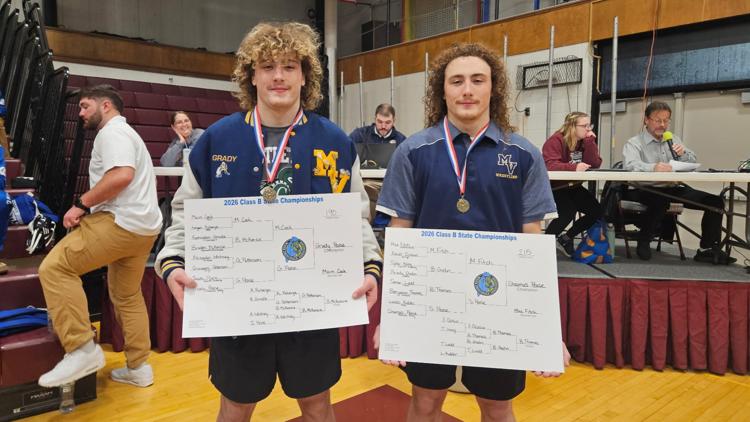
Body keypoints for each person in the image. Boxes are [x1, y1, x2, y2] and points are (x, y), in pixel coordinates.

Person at [155, 22, 381, 421]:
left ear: (305, 76)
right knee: (235, 407)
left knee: (317, 406)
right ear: (252, 75)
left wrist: (370, 266)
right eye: (268, 66)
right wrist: (172, 262)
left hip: (312, 305)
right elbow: (186, 211)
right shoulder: (216, 140)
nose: (279, 76)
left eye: (290, 66)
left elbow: (356, 216)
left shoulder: (336, 142)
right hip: (238, 304)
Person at [374, 42, 570, 422]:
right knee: (426, 401)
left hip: (498, 302)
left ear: (493, 88)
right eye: (457, 81)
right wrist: (393, 317)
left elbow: (533, 243)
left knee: (497, 408)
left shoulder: (523, 154)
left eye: (478, 80)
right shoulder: (412, 152)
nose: (467, 90)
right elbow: (399, 236)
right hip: (430, 303)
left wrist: (545, 329)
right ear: (442, 90)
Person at [37, 85, 162, 388]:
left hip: (120, 222)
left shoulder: (112, 132)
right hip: (144, 229)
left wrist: (81, 204)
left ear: (106, 105)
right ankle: (139, 367)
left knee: (55, 268)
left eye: (85, 106)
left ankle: (81, 348)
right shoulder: (128, 134)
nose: (80, 113)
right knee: (127, 296)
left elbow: (121, 175)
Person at [622, 101, 734, 264]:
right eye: (658, 120)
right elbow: (630, 165)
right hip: (644, 188)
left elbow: (692, 160)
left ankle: (707, 249)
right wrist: (653, 167)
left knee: (715, 202)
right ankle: (644, 241)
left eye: (666, 120)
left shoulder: (673, 139)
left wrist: (684, 154)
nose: (662, 125)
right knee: (660, 200)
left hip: (672, 186)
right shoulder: (634, 143)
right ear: (646, 120)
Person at [542, 111, 603, 256]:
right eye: (584, 126)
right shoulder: (556, 140)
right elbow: (549, 165)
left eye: (589, 125)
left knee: (597, 211)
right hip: (555, 186)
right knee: (568, 211)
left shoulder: (584, 141)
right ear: (572, 126)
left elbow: (595, 163)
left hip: (573, 186)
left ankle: (566, 238)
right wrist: (573, 167)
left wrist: (590, 143)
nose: (588, 129)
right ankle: (543, 245)